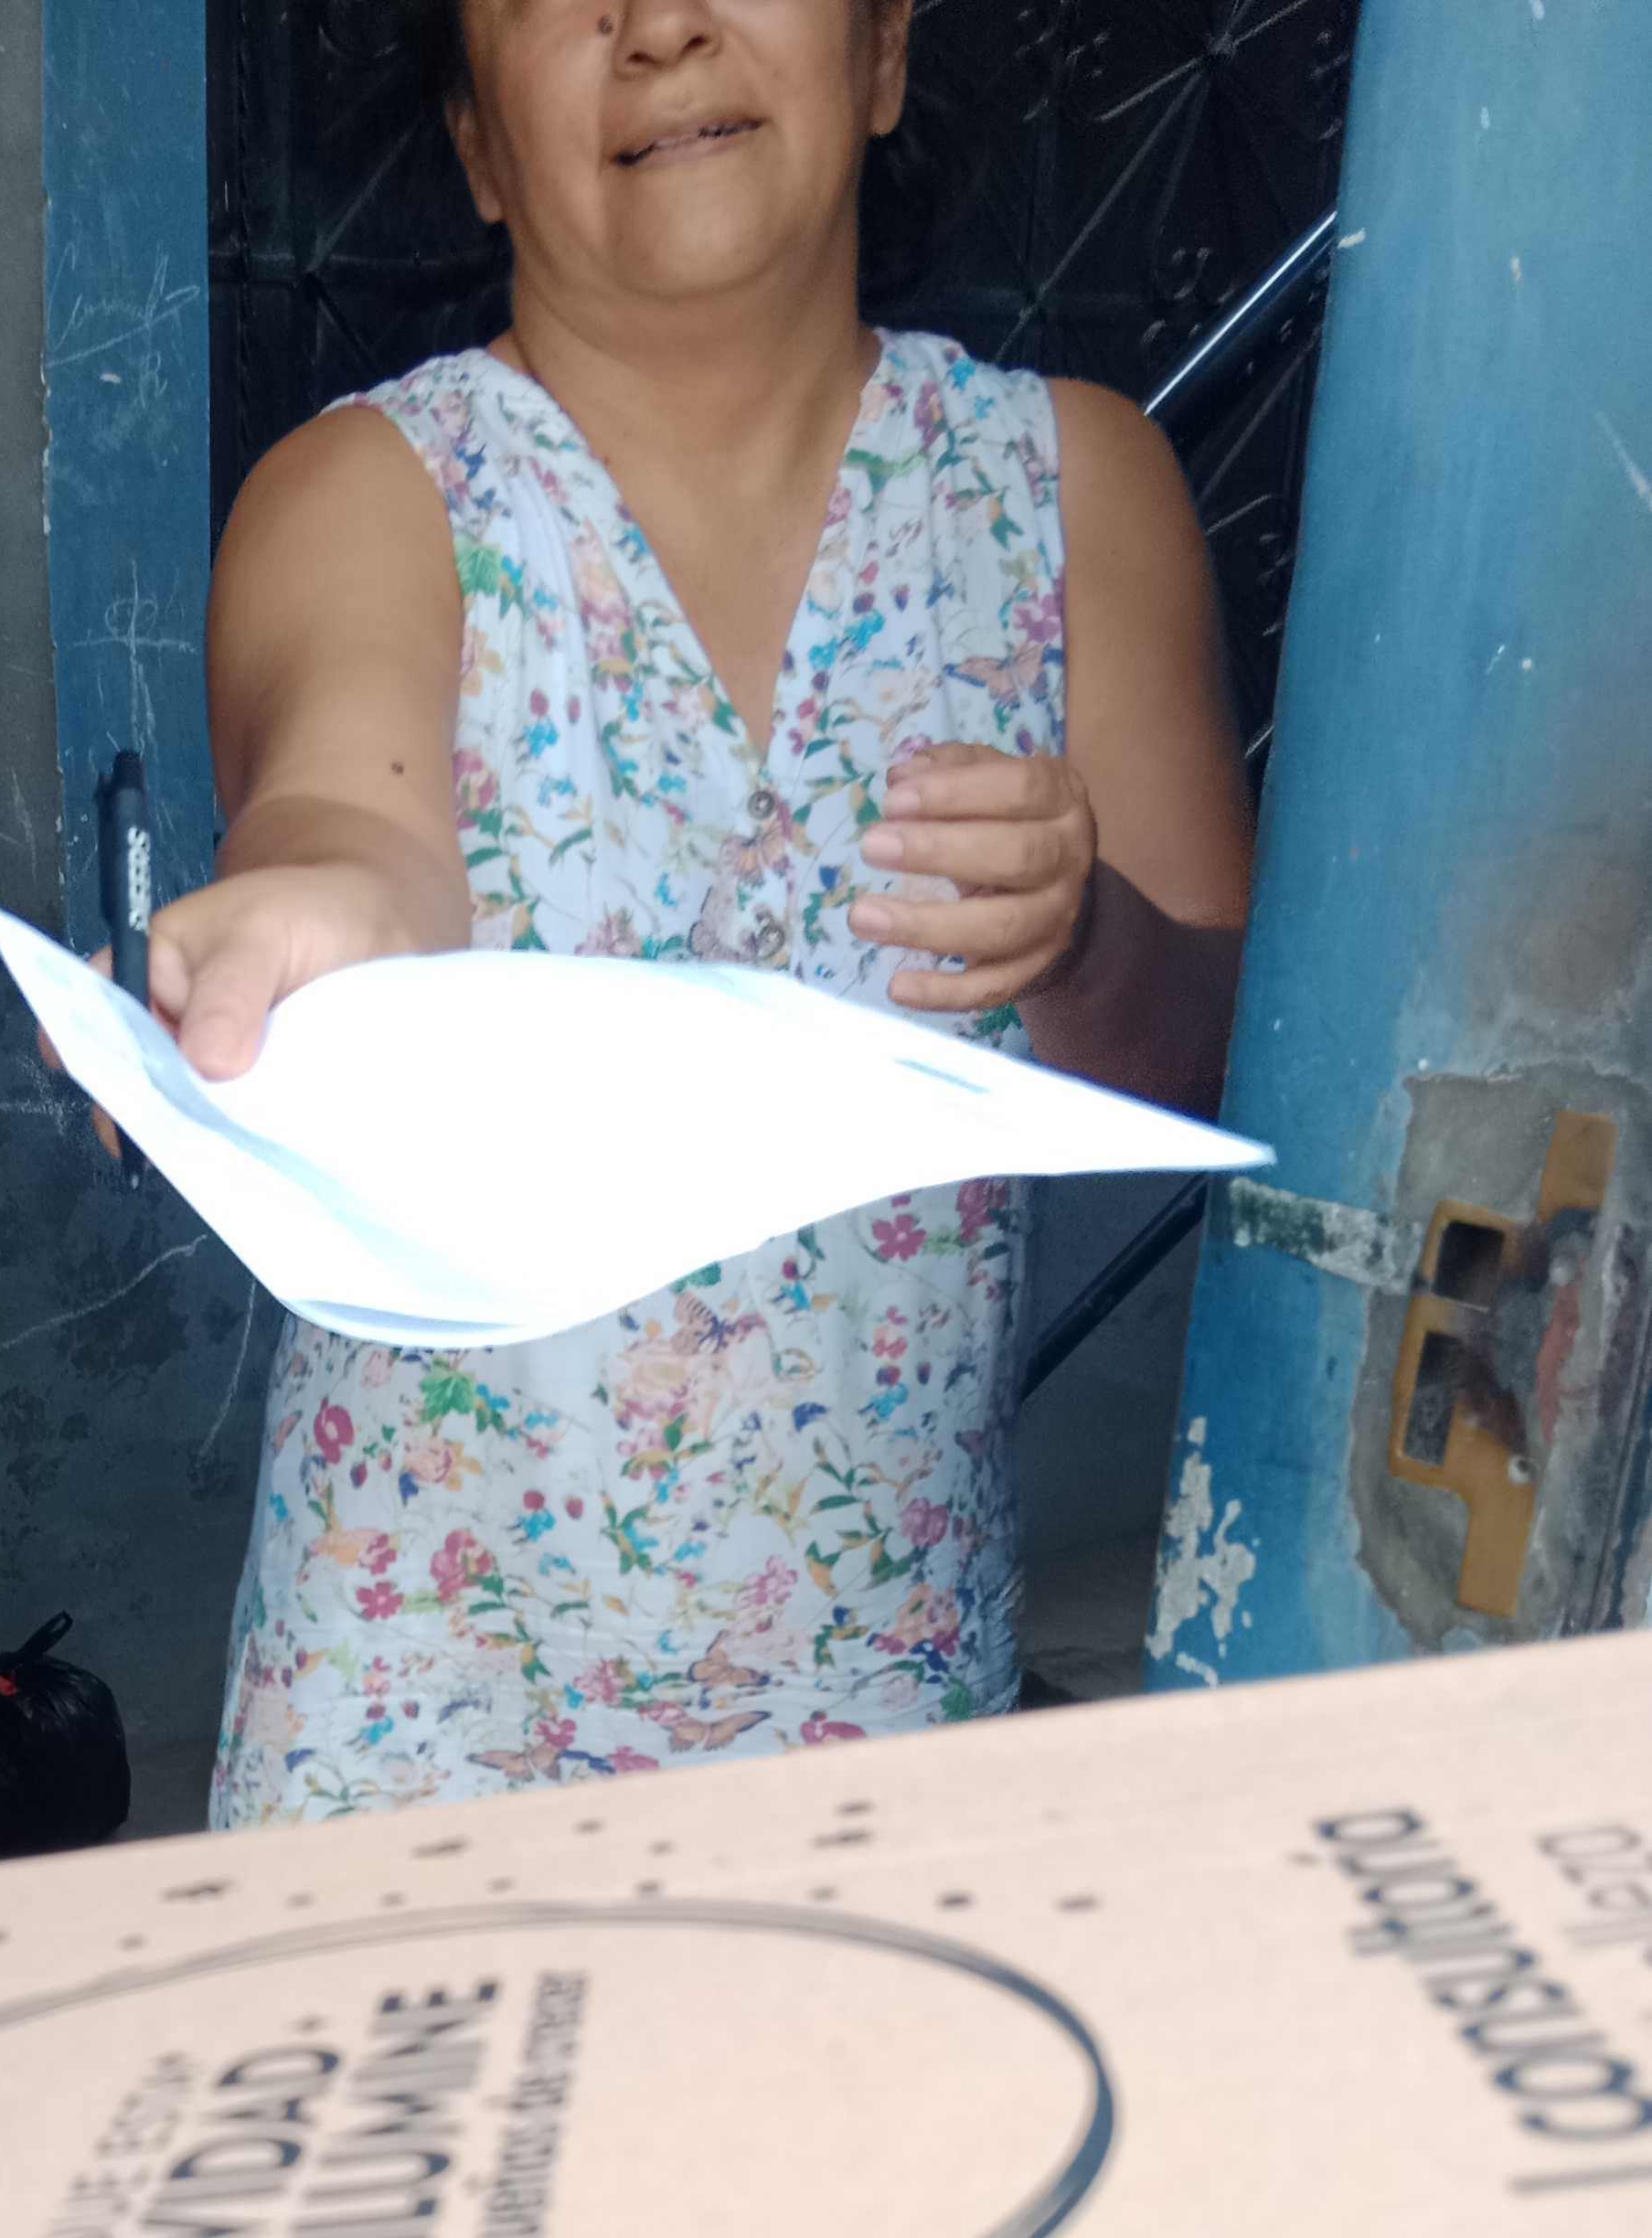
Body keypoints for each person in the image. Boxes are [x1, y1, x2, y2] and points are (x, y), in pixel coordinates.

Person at [145, 0, 1252, 1824]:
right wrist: (322, 911)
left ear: (883, 51)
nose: (659, 27)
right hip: (414, 1722)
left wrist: (1084, 941)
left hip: (878, 1693)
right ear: (476, 141)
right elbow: (352, 812)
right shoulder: (370, 495)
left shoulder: (1069, 499)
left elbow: (1211, 1056)